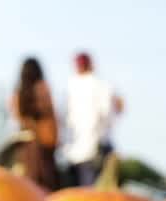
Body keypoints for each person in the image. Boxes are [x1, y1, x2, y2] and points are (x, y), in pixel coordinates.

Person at [64, 51, 123, 187]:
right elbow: (109, 113)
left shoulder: (70, 87)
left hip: (75, 150)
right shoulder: (101, 85)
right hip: (95, 147)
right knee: (95, 192)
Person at [7, 57, 62, 192]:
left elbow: (16, 116)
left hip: (25, 146)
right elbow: (52, 116)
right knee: (46, 186)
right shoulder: (43, 89)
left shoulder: (17, 94)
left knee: (28, 186)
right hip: (44, 145)